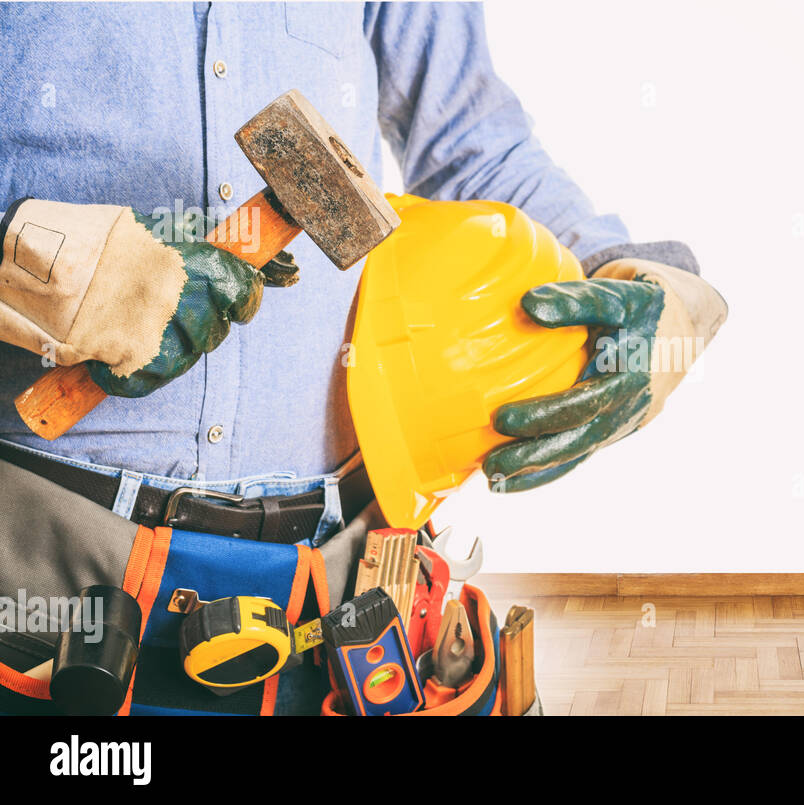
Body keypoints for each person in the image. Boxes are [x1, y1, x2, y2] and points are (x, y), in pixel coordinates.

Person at [0, 2, 725, 715]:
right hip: (50, 584)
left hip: (341, 594)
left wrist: (640, 279)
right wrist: (60, 273)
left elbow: (475, 143)